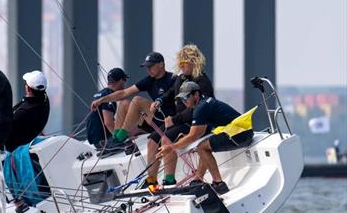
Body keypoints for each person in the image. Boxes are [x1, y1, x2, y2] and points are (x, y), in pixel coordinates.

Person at [157, 81, 254, 195]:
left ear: (196, 94)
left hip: (240, 135)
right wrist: (186, 137)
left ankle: (219, 184)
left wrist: (170, 147)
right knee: (203, 145)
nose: (184, 102)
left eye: (185, 98)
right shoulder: (205, 102)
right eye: (181, 99)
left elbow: (194, 135)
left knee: (201, 147)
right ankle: (198, 179)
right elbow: (200, 131)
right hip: (242, 132)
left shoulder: (201, 107)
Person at [145, 44, 214, 186]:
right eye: (180, 63)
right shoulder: (182, 77)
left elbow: (198, 109)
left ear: (193, 62)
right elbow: (171, 91)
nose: (181, 66)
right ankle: (151, 180)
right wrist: (160, 100)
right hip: (180, 120)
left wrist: (174, 120)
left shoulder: (202, 81)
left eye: (183, 63)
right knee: (151, 140)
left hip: (195, 122)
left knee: (166, 139)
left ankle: (169, 180)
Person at [91, 51, 175, 164]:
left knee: (137, 100)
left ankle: (120, 137)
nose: (148, 69)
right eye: (147, 67)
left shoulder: (173, 78)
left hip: (165, 121)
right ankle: (116, 139)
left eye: (151, 66)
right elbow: (124, 93)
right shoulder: (149, 80)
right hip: (152, 119)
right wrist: (102, 100)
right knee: (124, 103)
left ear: (161, 64)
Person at [86, 68, 130, 150]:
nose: (124, 84)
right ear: (120, 81)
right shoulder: (109, 96)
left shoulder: (101, 93)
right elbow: (108, 123)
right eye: (124, 80)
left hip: (95, 139)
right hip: (102, 140)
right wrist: (118, 139)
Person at [5, 71, 50, 151]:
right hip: (27, 138)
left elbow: (5, 132)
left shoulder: (24, 112)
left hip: (13, 149)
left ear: (28, 89)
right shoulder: (44, 100)